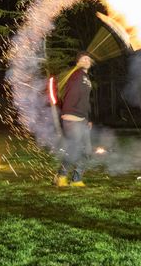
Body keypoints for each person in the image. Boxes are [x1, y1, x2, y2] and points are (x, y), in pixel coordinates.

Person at [55, 51, 94, 187]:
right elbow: (70, 93)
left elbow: (85, 100)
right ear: (78, 62)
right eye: (84, 58)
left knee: (87, 151)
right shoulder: (76, 75)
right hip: (72, 117)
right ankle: (61, 177)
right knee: (74, 149)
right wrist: (66, 112)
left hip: (82, 119)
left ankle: (76, 180)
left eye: (89, 59)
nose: (87, 60)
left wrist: (87, 119)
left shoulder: (85, 77)